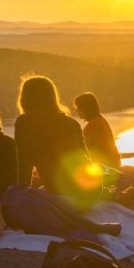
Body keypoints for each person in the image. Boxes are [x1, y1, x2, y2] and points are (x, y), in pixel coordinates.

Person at [14, 76, 100, 207]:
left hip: (64, 194)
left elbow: (24, 165)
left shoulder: (25, 122)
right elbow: (86, 158)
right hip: (92, 191)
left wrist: (22, 199)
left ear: (25, 99)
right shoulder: (72, 123)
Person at [73, 92, 121, 169]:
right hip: (113, 164)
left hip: (105, 167)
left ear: (85, 108)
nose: (77, 111)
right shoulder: (100, 120)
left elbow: (84, 150)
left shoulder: (93, 126)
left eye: (78, 108)